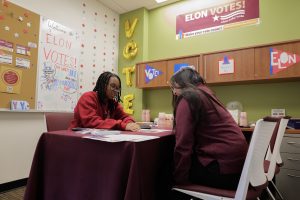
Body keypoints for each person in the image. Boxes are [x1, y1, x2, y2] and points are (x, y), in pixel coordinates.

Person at [169, 68, 248, 190]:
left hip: (223, 171)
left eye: (173, 87)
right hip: (241, 169)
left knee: (165, 172)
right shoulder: (207, 93)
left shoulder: (188, 97)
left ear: (182, 84)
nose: (174, 92)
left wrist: (180, 182)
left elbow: (183, 145)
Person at [69, 71, 140, 131]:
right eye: (113, 86)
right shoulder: (88, 97)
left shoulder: (113, 103)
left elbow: (125, 117)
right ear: (103, 85)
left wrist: (130, 124)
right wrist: (122, 125)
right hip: (78, 137)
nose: (115, 90)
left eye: (117, 88)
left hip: (98, 138)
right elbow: (91, 122)